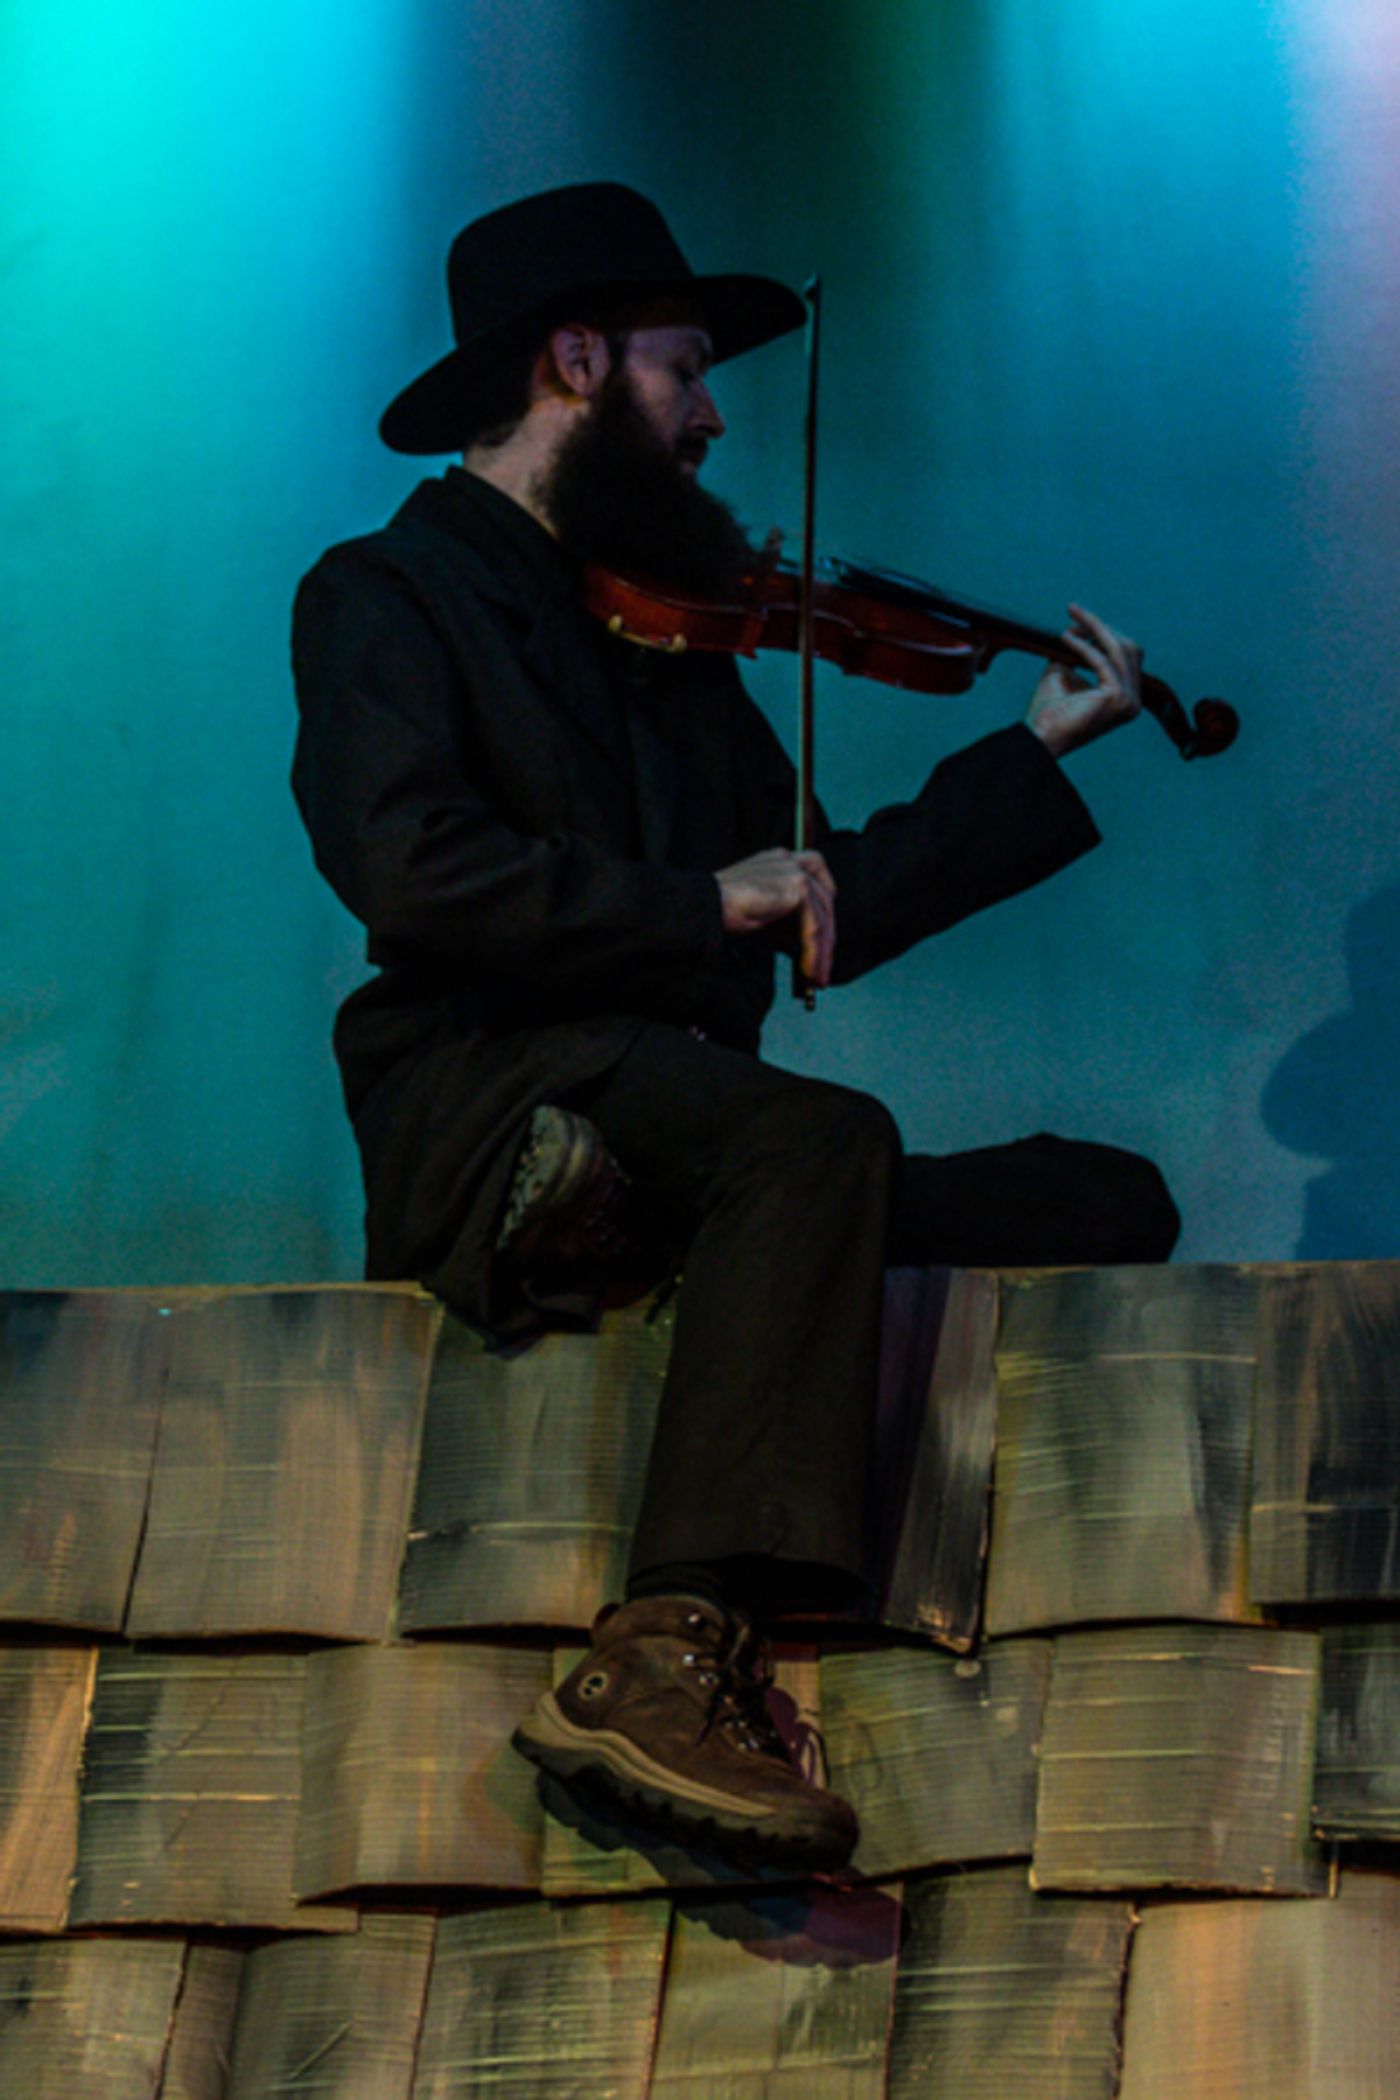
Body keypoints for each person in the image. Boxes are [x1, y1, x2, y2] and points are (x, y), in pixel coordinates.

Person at [292, 182, 1179, 1873]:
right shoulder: (384, 597)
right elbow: (415, 874)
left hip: (686, 1126)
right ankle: (663, 1653)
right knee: (817, 1138)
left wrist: (1039, 749)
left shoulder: (668, 639)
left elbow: (818, 892)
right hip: (490, 1105)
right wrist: (703, 907)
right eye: (686, 372)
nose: (710, 419)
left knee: (1094, 1199)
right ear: (574, 359)